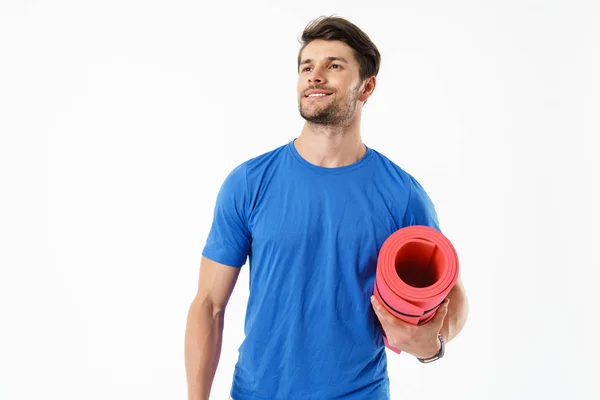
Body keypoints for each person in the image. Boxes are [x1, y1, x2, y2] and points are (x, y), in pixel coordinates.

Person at [185, 15, 469, 400]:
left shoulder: (402, 195)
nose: (315, 76)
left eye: (333, 66)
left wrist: (431, 346)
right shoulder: (249, 182)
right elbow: (209, 305)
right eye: (307, 67)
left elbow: (452, 295)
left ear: (366, 87)